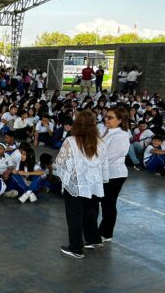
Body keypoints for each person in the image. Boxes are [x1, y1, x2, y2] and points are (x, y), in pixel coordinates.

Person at [55, 110, 108, 259]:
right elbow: (104, 164)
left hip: (76, 183)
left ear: (77, 124)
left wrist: (64, 177)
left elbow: (61, 162)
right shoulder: (100, 142)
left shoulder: (71, 141)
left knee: (74, 214)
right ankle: (94, 239)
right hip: (93, 183)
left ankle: (76, 248)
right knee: (90, 211)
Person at [96, 107, 130, 242]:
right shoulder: (107, 131)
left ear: (120, 120)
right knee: (104, 203)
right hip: (104, 172)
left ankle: (106, 233)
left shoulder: (121, 136)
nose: (106, 119)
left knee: (108, 204)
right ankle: (101, 231)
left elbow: (109, 157)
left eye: (110, 117)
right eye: (106, 116)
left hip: (115, 174)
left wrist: (90, 164)